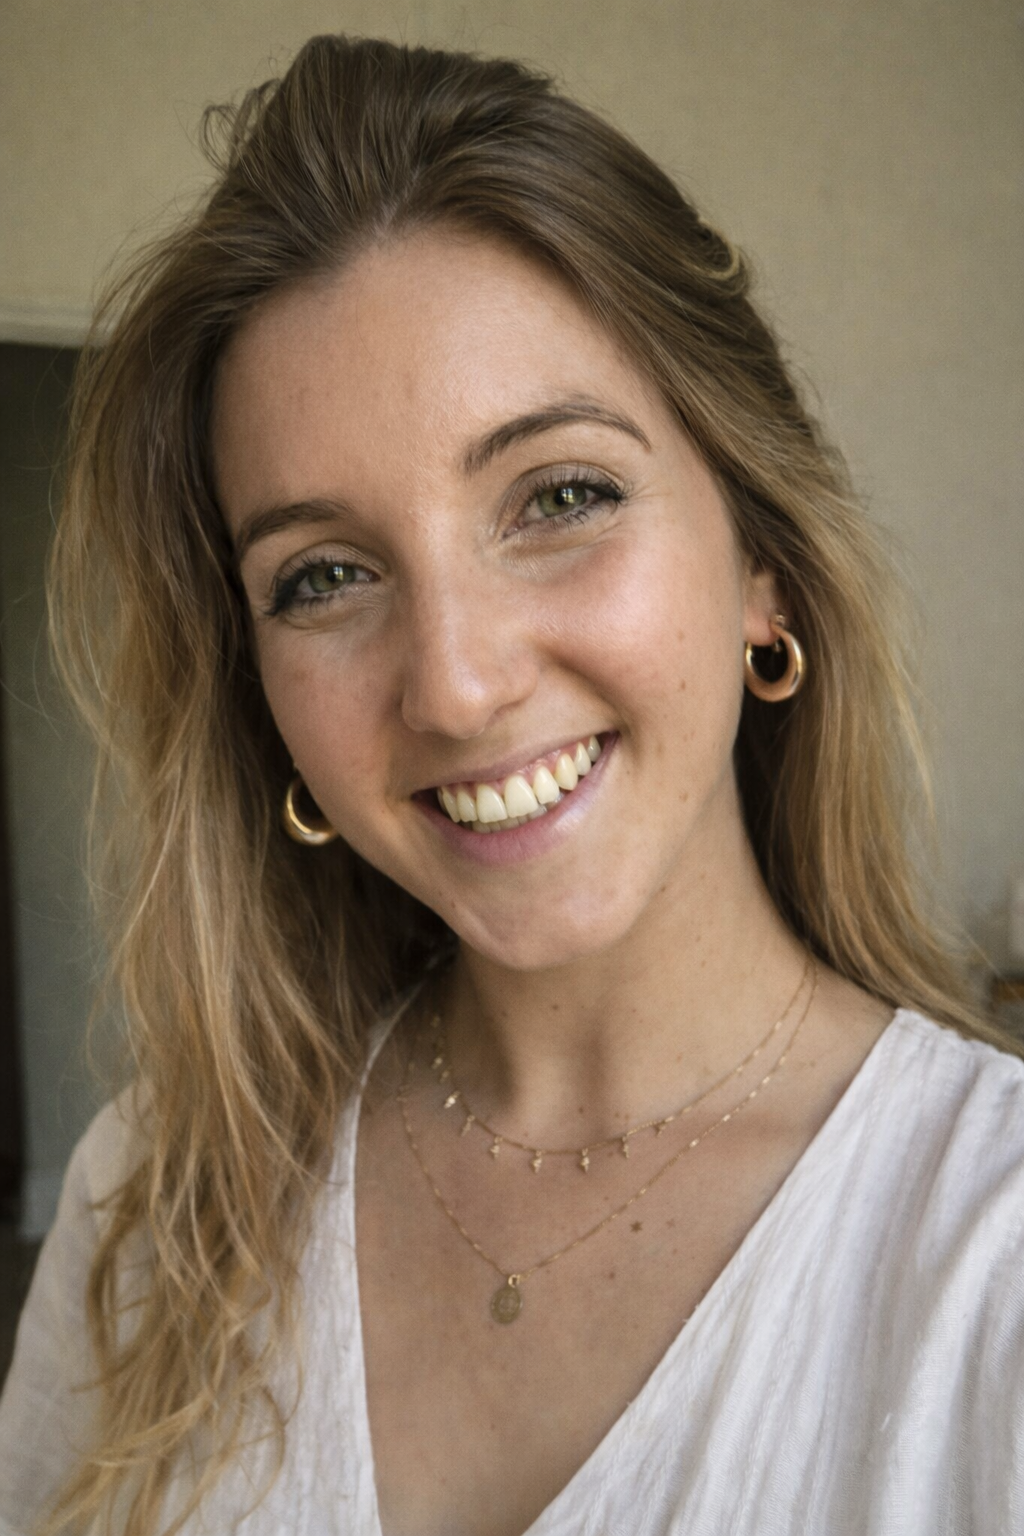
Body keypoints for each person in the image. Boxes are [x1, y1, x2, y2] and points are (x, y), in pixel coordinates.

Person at [1, 31, 1021, 1536]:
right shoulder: (150, 1205)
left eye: (561, 496)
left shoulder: (991, 1259)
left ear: (762, 566)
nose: (457, 685)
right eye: (325, 575)